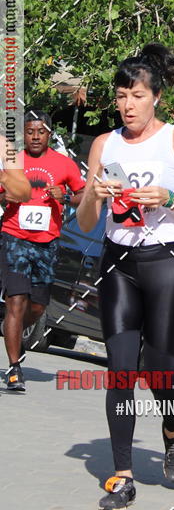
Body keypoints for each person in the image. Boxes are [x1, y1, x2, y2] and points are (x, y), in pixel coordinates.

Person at [77, 43, 174, 510]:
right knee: (120, 370)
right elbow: (85, 221)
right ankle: (123, 477)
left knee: (158, 371)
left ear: (156, 97)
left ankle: (172, 429)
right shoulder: (104, 145)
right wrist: (94, 195)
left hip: (167, 263)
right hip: (118, 263)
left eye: (136, 95)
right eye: (121, 96)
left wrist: (168, 198)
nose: (128, 105)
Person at [1, 112, 84, 391]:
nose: (35, 137)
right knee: (16, 302)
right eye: (30, 131)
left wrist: (67, 196)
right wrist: (5, 197)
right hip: (14, 238)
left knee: (37, 307)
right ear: (23, 134)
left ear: (49, 134)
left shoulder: (64, 164)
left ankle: (13, 333)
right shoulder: (12, 162)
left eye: (41, 131)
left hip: (47, 243)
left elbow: (84, 195)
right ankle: (14, 368)